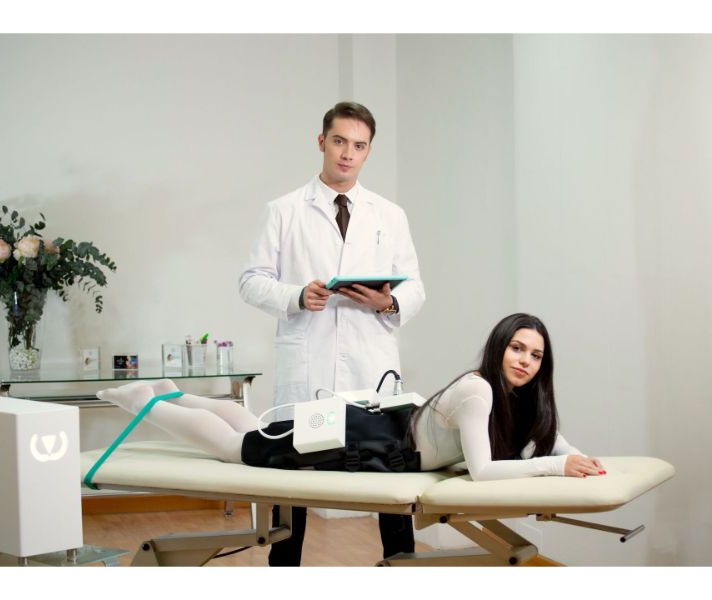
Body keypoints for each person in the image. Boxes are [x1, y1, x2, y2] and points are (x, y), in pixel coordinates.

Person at [97, 313, 604, 560]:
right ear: (498, 347)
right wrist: (557, 467)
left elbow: (553, 439)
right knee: (242, 449)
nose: (525, 360)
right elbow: (484, 471)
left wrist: (580, 459)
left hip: (380, 431)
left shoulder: (518, 399)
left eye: (535, 355)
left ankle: (174, 395)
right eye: (517, 348)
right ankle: (144, 404)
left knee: (260, 430)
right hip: (367, 443)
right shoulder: (479, 391)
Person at [237, 101, 426, 564]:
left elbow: (415, 286)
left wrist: (387, 302)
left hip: (371, 364)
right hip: (309, 365)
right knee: (294, 479)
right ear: (322, 142)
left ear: (368, 151)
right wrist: (297, 296)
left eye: (358, 146)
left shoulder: (390, 215)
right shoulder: (283, 210)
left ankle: (402, 572)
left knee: (390, 469)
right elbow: (251, 281)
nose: (347, 154)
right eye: (339, 141)